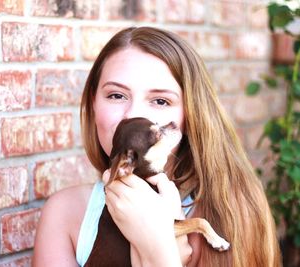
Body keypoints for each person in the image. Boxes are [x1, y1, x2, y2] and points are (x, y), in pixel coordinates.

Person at [32, 26, 281, 267]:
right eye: (116, 95)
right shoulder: (67, 214)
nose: (134, 115)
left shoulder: (234, 210)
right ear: (93, 103)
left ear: (191, 114)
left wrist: (157, 251)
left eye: (160, 101)